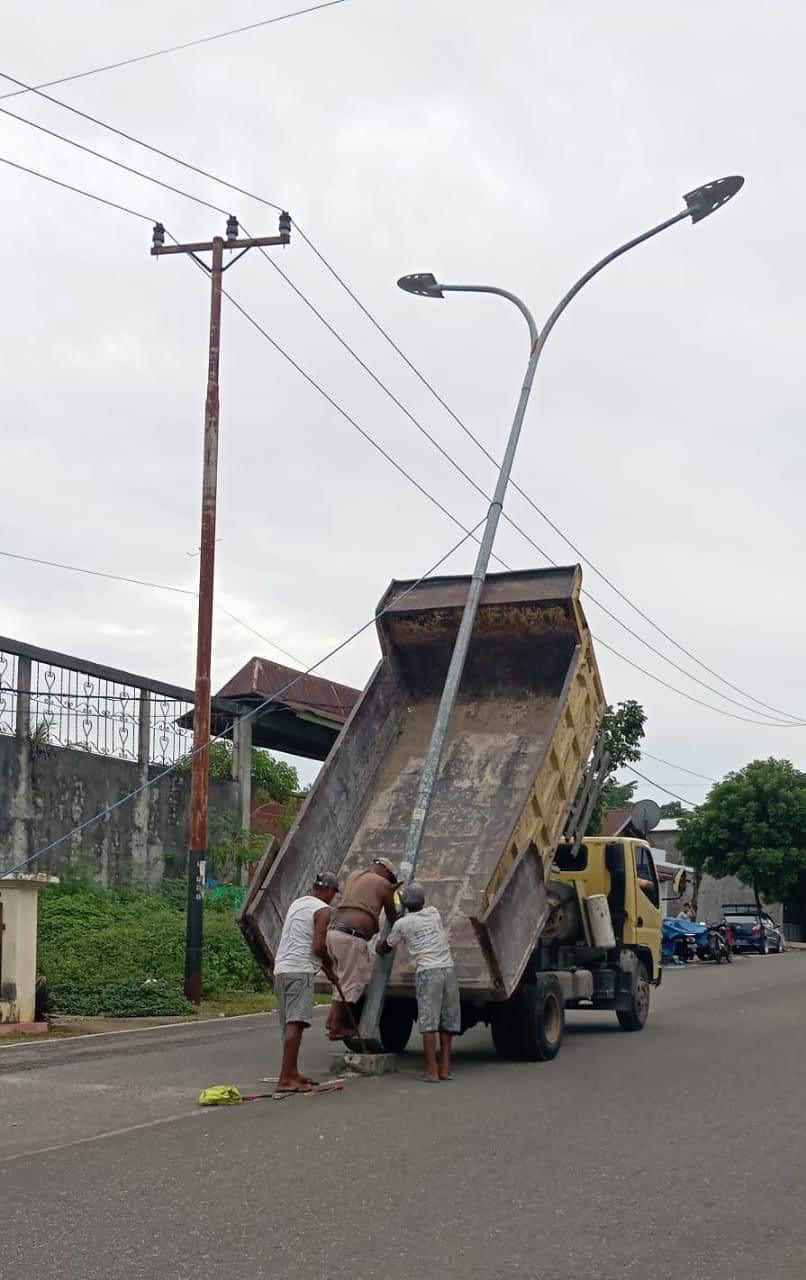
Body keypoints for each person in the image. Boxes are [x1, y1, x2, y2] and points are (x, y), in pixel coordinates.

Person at [376, 880, 459, 1083]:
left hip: (428, 972)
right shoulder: (434, 913)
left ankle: (431, 1070)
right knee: (447, 1022)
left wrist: (381, 941)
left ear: (405, 904)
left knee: (429, 1023)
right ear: (423, 901)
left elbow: (385, 947)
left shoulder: (402, 924)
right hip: (448, 969)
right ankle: (445, 1069)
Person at [274, 871, 339, 1093]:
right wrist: (330, 967)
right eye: (333, 893)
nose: (332, 898)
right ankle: (285, 1079)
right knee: (296, 1022)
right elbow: (318, 946)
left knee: (290, 1023)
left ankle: (292, 1072)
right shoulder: (322, 910)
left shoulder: (299, 903)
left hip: (282, 970)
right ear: (328, 890)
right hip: (299, 971)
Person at [325, 856, 399, 1041]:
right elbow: (392, 915)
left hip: (333, 933)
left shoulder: (355, 875)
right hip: (351, 936)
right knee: (352, 983)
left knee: (342, 981)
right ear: (387, 873)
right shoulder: (384, 884)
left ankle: (331, 1020)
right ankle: (336, 1027)